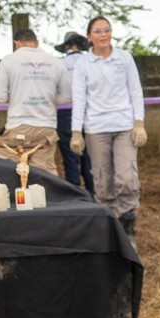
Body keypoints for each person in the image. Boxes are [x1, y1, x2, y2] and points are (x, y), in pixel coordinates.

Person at [69, 16, 146, 241]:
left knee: (126, 177)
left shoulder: (124, 58)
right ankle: (110, 227)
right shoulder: (83, 64)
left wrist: (139, 123)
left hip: (124, 126)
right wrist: (76, 132)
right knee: (102, 181)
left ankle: (128, 223)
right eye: (98, 31)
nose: (103, 34)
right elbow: (79, 98)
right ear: (89, 36)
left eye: (107, 30)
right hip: (96, 127)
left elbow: (135, 91)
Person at [0, 28, 70, 176]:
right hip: (46, 127)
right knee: (45, 174)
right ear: (37, 42)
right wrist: (48, 100)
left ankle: (14, 198)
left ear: (17, 43)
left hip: (18, 126)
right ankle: (48, 197)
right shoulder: (55, 62)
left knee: (6, 168)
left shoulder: (9, 60)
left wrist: (17, 97)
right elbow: (66, 96)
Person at [54, 31, 94, 195]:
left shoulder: (59, 64)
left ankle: (75, 193)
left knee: (70, 157)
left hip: (66, 113)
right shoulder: (90, 62)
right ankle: (93, 192)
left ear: (66, 46)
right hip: (90, 112)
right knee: (90, 156)